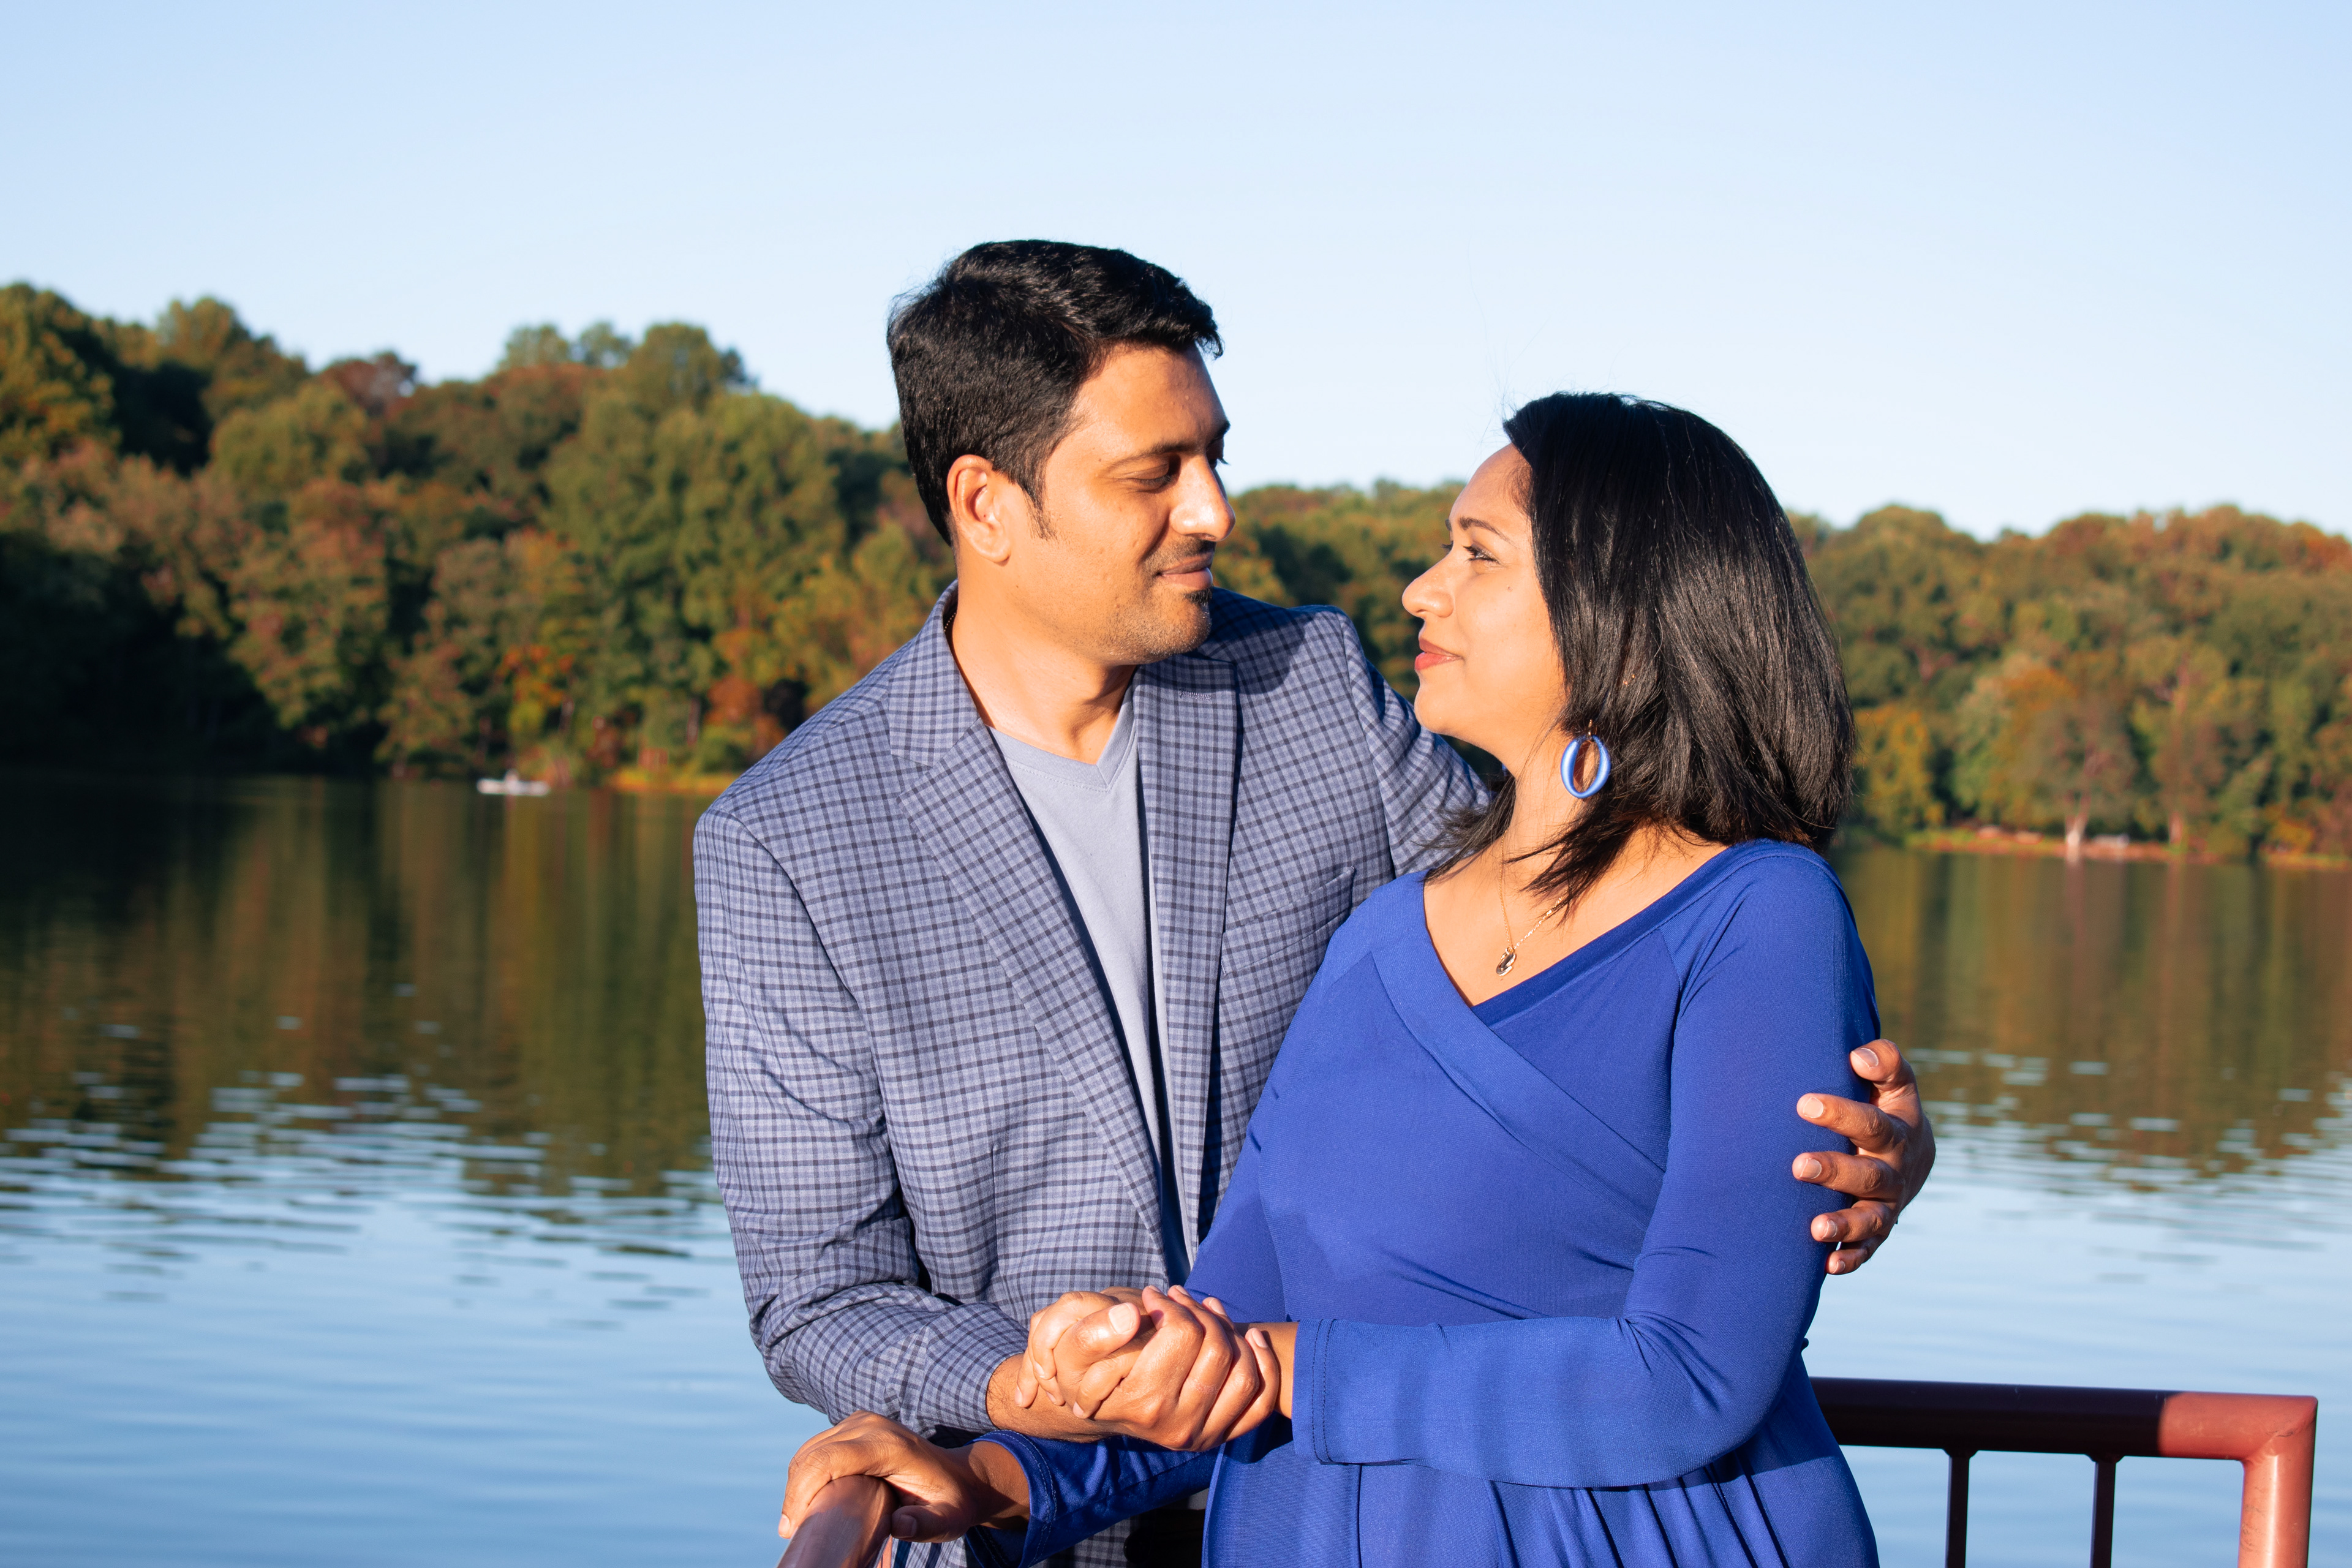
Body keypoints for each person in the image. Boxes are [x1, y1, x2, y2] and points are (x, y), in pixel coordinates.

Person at [698, 244, 1931, 1568]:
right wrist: (1031, 1419)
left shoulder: (1316, 689)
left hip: (1442, 1492)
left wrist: (1837, 1143)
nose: (1214, 510)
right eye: (1154, 473)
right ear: (987, 503)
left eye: (1212, 456)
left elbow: (1607, 941)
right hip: (1077, 1504)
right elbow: (820, 1295)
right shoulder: (787, 839)